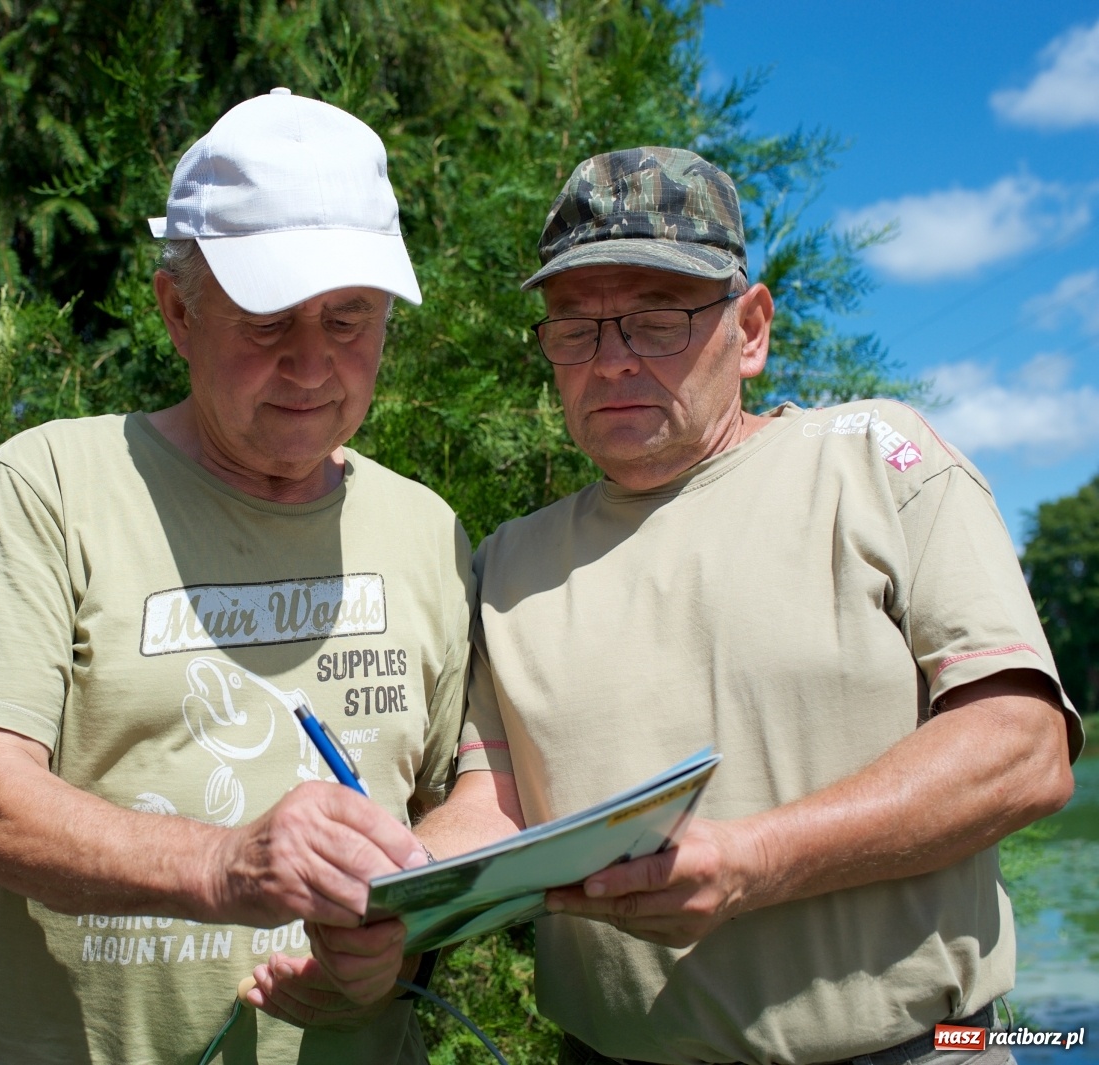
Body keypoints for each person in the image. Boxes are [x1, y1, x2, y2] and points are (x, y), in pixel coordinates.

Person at [249, 146, 1083, 1065]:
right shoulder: (510, 563)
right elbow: (499, 804)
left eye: (655, 320)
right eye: (575, 329)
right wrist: (387, 900)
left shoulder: (880, 462)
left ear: (752, 328)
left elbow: (1025, 748)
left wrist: (756, 860)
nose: (610, 363)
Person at [0, 88, 471, 1064]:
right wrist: (223, 865)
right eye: (264, 321)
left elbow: (469, 800)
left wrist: (402, 933)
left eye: (349, 319)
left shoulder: (426, 528)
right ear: (177, 310)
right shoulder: (51, 484)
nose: (309, 363)